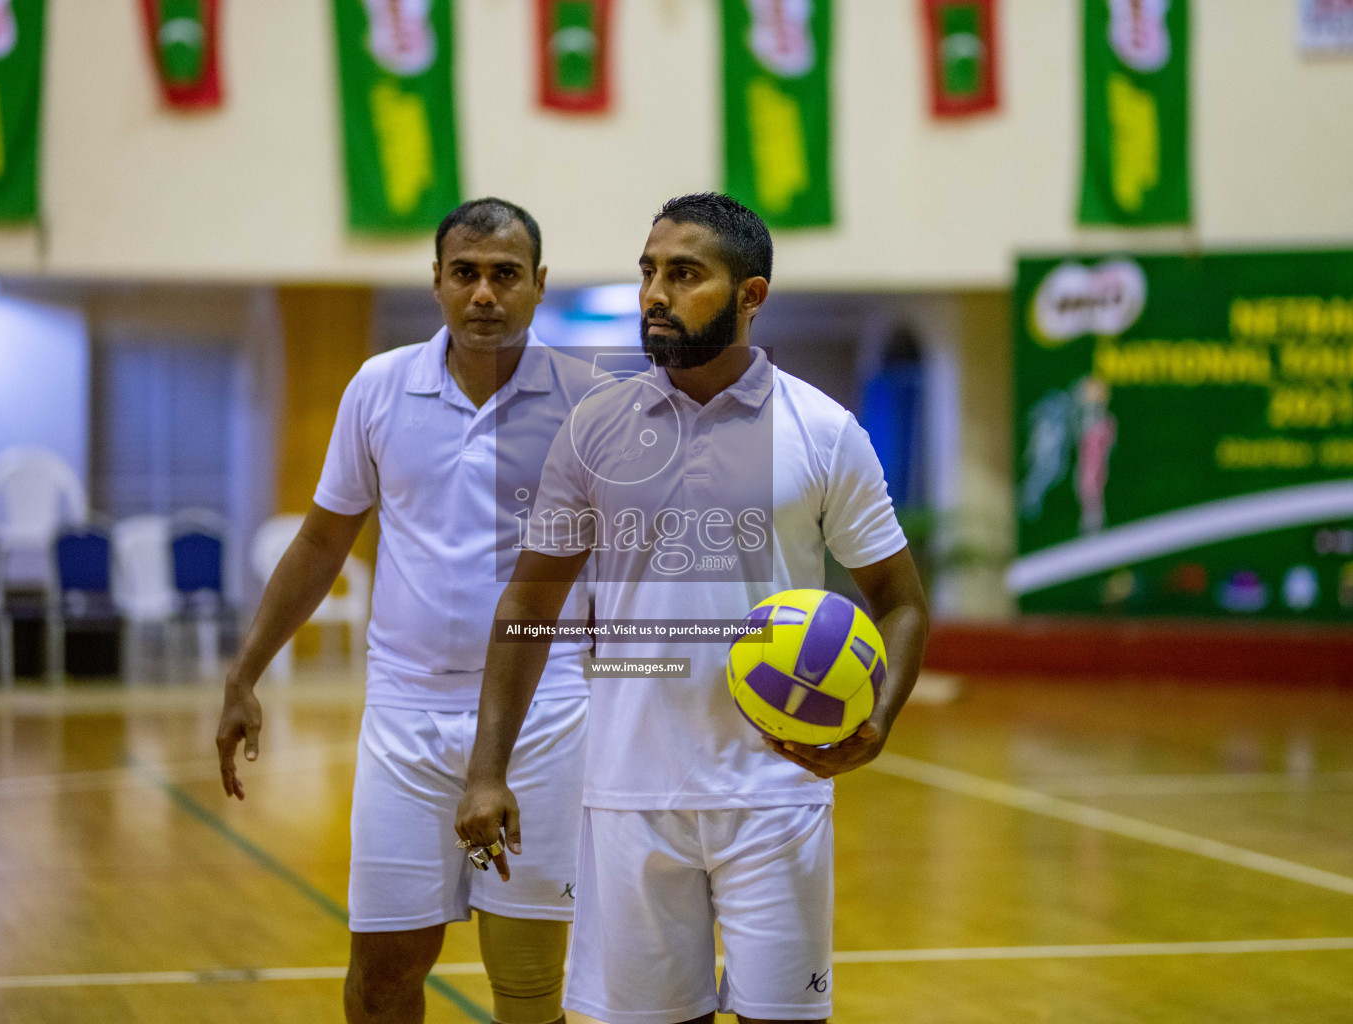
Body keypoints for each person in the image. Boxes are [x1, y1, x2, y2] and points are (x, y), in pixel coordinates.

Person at [455, 193, 929, 1024]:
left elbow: (901, 603)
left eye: (684, 274)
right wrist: (487, 769)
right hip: (631, 790)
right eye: (647, 271)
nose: (654, 294)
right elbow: (529, 603)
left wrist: (876, 724)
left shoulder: (823, 430)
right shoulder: (595, 428)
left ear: (751, 296)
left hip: (778, 793)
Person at [216, 198, 596, 1024]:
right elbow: (321, 543)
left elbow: (630, 568)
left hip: (546, 712)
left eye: (504, 275)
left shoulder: (588, 403)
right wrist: (245, 671)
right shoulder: (380, 387)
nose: (484, 294)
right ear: (436, 283)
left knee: (528, 982)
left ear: (538, 285)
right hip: (406, 712)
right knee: (383, 973)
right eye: (466, 274)